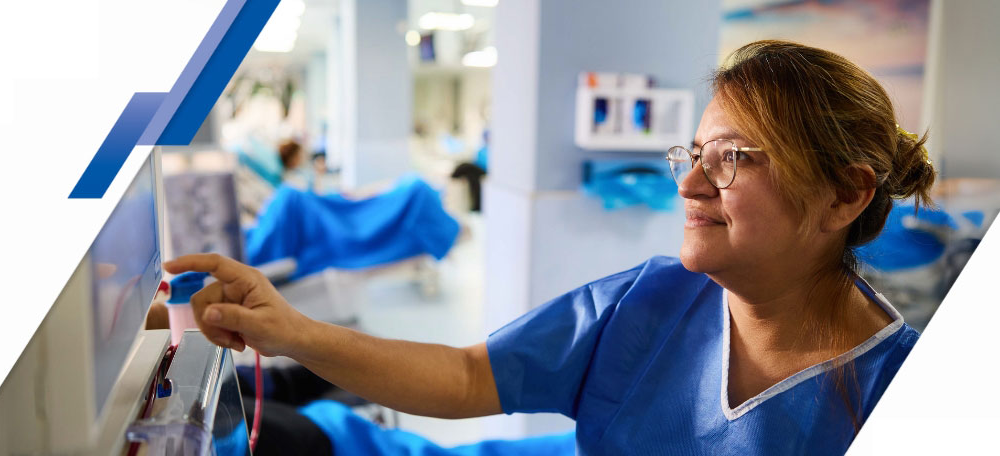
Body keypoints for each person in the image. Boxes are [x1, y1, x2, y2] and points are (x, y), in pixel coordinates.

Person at [162, 40, 936, 455]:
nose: (689, 183)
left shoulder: (907, 399)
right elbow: (469, 376)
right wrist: (291, 331)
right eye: (692, 154)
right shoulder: (650, 302)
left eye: (732, 158)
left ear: (845, 194)